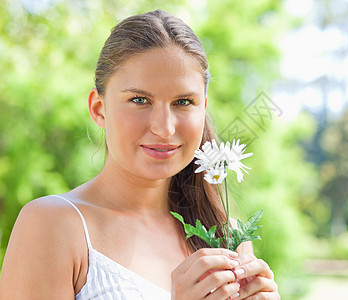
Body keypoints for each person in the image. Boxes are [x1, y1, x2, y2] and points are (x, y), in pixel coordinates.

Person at [0, 9, 279, 300]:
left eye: (183, 101)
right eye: (139, 100)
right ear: (99, 108)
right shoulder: (52, 225)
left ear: (203, 107)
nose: (164, 127)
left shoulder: (227, 235)